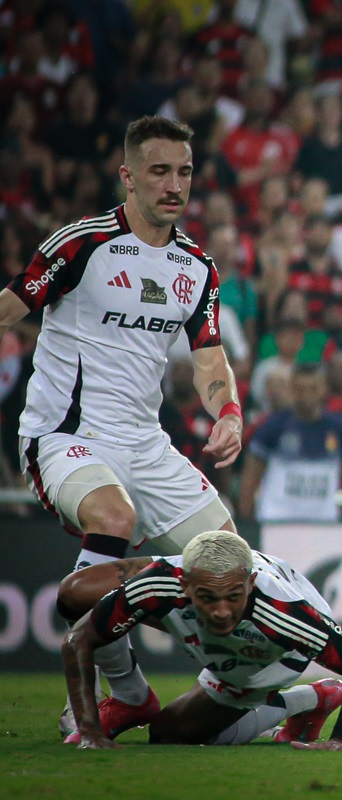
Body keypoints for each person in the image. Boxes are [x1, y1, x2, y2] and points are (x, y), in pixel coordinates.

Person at [0, 116, 244, 732]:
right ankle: (126, 689)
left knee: (228, 558)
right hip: (65, 436)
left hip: (146, 443)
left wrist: (229, 412)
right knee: (114, 519)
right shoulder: (81, 244)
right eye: (159, 171)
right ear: (128, 176)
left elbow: (209, 358)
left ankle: (227, 692)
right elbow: (12, 304)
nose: (174, 184)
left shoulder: (197, 268)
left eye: (184, 171)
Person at [59, 531, 342, 751]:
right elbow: (78, 640)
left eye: (232, 597)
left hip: (269, 655)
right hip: (197, 592)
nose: (221, 612)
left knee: (168, 735)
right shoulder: (158, 583)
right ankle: (130, 698)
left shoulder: (287, 617)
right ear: (184, 583)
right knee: (74, 594)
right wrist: (89, 732)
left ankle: (310, 698)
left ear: (250, 584)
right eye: (208, 597)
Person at [239, 363, 342, 522]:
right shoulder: (272, 427)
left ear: (324, 389)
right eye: (300, 389)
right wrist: (245, 520)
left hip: (323, 522)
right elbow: (250, 478)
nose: (307, 395)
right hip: (277, 520)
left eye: (313, 388)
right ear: (291, 389)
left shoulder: (338, 429)